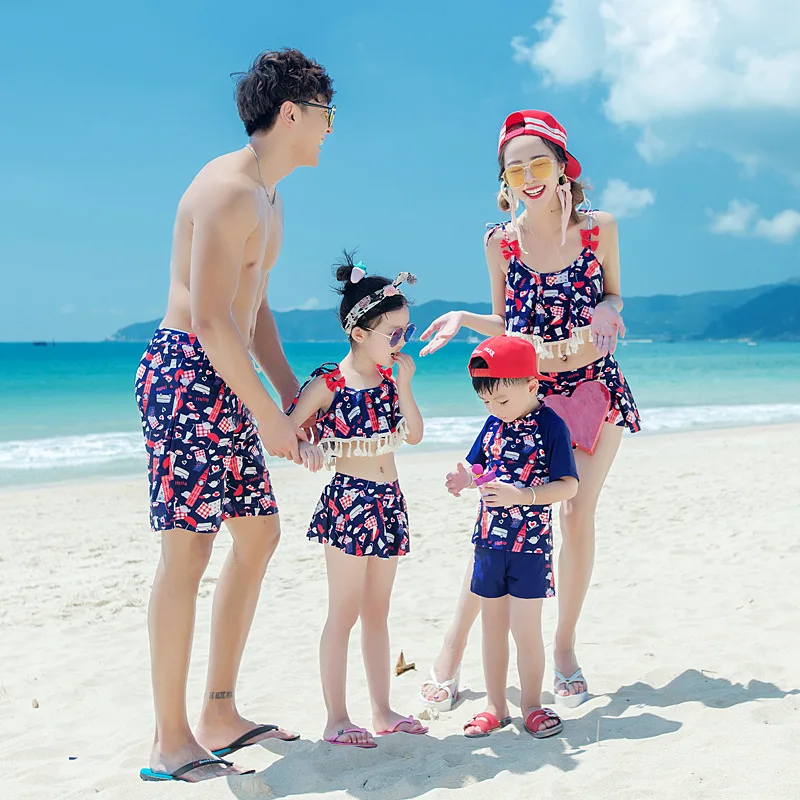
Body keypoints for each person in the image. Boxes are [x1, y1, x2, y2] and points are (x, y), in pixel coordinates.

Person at [134, 49, 335, 783]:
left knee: (257, 534)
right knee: (186, 552)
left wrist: (290, 398)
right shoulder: (227, 190)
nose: (330, 129)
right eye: (326, 115)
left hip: (227, 376)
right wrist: (271, 421)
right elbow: (212, 320)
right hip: (187, 376)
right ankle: (170, 739)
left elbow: (257, 312)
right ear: (292, 113)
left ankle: (219, 712)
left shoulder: (269, 197)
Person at [419, 109, 641, 711]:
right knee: (500, 523)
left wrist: (608, 308)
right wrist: (464, 318)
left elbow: (615, 293)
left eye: (538, 163)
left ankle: (564, 649)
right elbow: (507, 323)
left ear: (563, 165)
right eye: (514, 169)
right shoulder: (501, 241)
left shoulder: (598, 229)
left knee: (575, 514)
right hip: (527, 399)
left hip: (596, 391)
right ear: (505, 180)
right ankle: (450, 652)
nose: (528, 177)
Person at [287, 252, 426, 748]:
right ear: (360, 333)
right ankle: (336, 719)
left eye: (407, 331)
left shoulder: (391, 380)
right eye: (395, 333)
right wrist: (304, 446)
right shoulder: (330, 383)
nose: (402, 342)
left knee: (377, 613)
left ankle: (383, 711)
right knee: (343, 612)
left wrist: (406, 385)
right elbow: (285, 429)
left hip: (389, 501)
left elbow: (414, 435)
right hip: (349, 502)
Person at [446, 336, 578, 737]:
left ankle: (532, 705)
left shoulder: (551, 426)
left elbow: (569, 485)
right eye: (486, 402)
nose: (494, 409)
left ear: (532, 385)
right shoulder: (493, 425)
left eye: (501, 400)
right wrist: (465, 479)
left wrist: (522, 496)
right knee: (491, 629)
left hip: (530, 548)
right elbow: (478, 468)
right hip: (489, 543)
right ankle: (495, 706)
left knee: (526, 631)